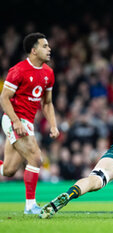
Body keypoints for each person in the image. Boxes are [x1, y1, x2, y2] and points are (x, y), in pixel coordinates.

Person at [0, 32, 59, 214]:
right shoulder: (18, 70)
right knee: (36, 157)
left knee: (8, 171)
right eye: (44, 46)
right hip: (13, 119)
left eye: (48, 46)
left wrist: (53, 125)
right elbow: (4, 98)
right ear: (33, 51)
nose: (49, 49)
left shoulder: (48, 73)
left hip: (28, 123)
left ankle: (30, 205)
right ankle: (30, 206)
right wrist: (16, 121)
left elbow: (47, 103)